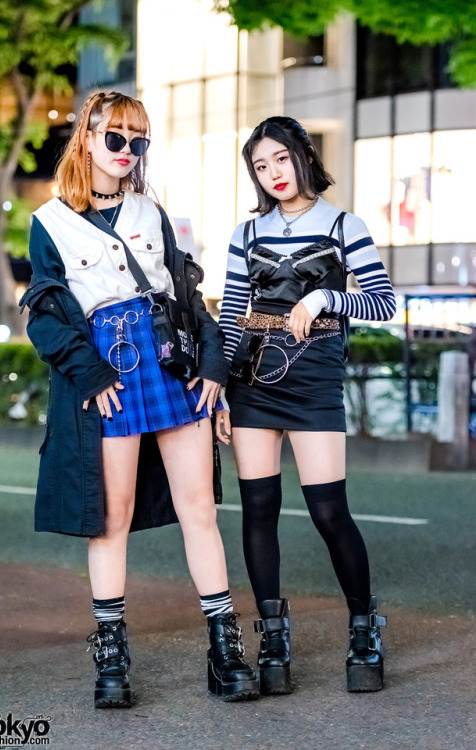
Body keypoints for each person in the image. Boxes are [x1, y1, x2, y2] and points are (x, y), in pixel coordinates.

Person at [20, 91, 259, 707]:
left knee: (200, 507)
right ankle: (111, 653)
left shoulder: (149, 212)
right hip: (109, 368)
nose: (128, 152)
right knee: (112, 515)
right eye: (117, 138)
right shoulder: (48, 222)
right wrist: (91, 375)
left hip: (169, 360)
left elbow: (186, 294)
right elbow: (45, 317)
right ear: (87, 139)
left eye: (139, 141)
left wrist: (213, 365)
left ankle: (225, 645)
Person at [216, 116, 395, 695]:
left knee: (327, 512)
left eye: (280, 159)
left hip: (315, 373)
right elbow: (231, 316)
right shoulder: (245, 235)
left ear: (303, 155)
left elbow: (384, 304)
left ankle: (364, 628)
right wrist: (217, 388)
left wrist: (324, 295)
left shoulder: (345, 224)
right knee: (259, 509)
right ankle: (272, 634)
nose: (273, 174)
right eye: (260, 166)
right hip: (252, 378)